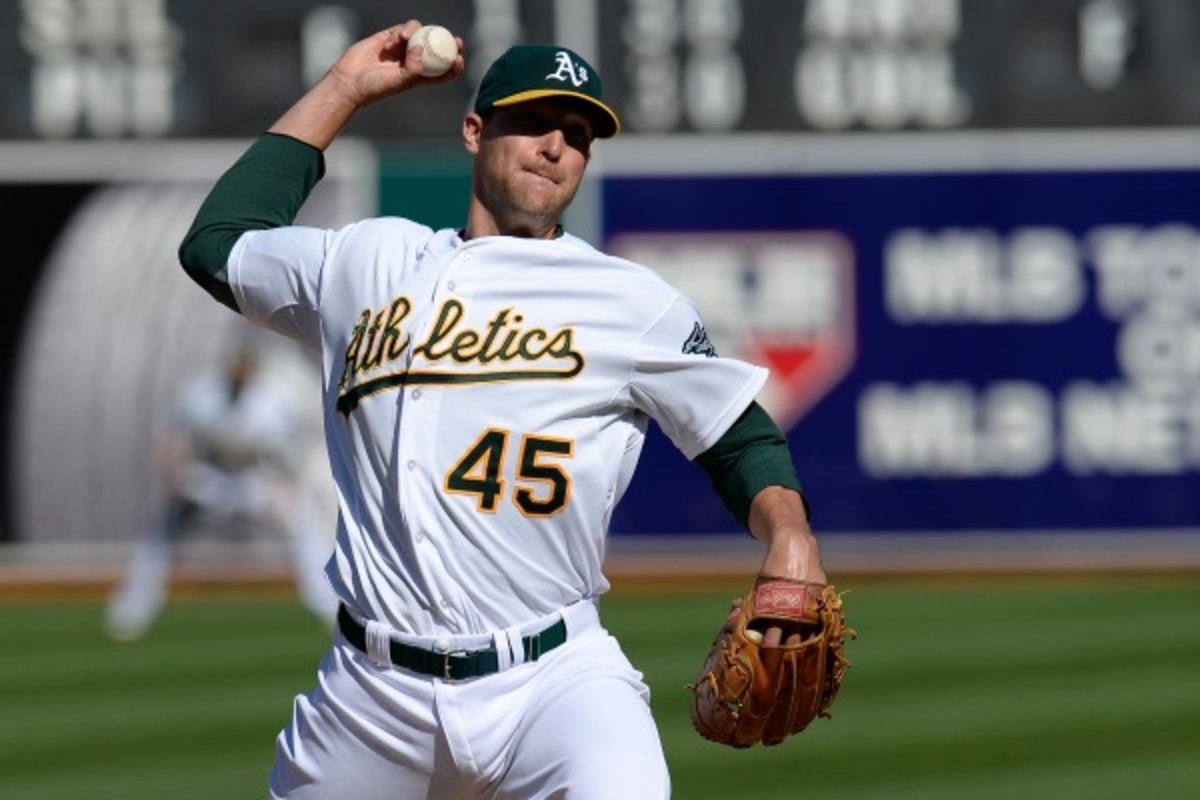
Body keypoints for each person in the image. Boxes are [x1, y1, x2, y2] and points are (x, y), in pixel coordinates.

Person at [177, 19, 829, 799]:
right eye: (532, 121)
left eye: (579, 134)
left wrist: (789, 533)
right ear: (474, 129)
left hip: (553, 682)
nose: (556, 145)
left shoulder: (628, 300)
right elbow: (217, 243)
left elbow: (737, 437)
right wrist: (343, 88)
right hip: (370, 697)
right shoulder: (366, 259)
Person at [105, 340, 338, 641]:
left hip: (254, 479)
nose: (240, 376)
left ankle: (326, 605)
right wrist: (177, 476)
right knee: (163, 533)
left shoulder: (271, 404)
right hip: (211, 477)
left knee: (304, 528)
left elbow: (292, 453)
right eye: (236, 370)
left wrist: (283, 483)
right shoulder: (203, 395)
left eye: (245, 371)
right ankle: (134, 606)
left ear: (253, 373)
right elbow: (172, 436)